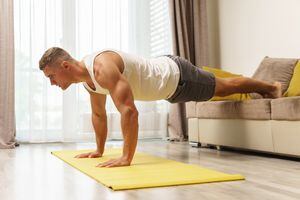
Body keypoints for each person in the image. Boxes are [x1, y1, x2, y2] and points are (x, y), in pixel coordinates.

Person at [39, 47, 282, 167]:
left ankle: (270, 87)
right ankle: (264, 88)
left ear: (65, 66)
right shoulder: (89, 84)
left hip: (177, 77)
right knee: (221, 86)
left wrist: (126, 157)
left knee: (224, 87)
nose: (52, 83)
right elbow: (99, 115)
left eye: (51, 76)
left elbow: (129, 111)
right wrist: (99, 150)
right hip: (168, 86)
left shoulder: (102, 67)